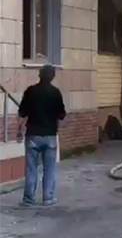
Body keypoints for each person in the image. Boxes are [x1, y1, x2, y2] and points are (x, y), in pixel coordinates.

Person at [17, 65, 66, 207]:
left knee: (31, 168)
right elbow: (61, 114)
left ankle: (28, 199)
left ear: (39, 75)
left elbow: (22, 113)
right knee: (49, 168)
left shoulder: (30, 91)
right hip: (50, 135)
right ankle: (48, 198)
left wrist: (19, 130)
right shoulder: (55, 93)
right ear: (52, 77)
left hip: (32, 135)